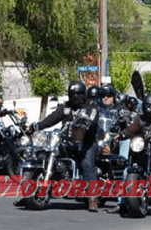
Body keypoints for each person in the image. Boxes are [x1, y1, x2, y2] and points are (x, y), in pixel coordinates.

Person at [30, 81, 101, 211]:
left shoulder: (91, 105)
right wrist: (38, 126)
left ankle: (92, 198)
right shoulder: (66, 107)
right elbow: (53, 118)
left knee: (87, 164)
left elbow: (92, 118)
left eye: (77, 94)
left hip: (88, 142)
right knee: (50, 153)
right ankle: (30, 194)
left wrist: (85, 123)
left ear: (83, 94)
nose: (74, 96)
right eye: (72, 94)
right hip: (67, 141)